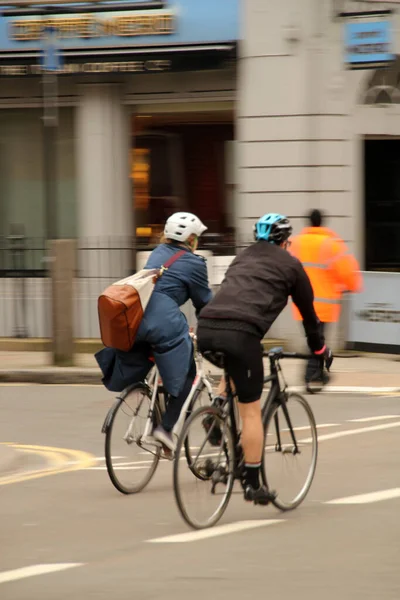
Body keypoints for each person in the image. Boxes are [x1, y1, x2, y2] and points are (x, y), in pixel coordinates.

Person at [197, 213, 332, 506]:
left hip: (207, 327)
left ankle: (216, 411)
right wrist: (320, 351)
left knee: (233, 364)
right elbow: (310, 319)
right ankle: (252, 483)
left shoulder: (242, 258)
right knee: (250, 411)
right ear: (285, 241)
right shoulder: (291, 266)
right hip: (242, 334)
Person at [96, 212, 212, 451]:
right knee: (187, 374)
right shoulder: (195, 264)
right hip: (165, 323)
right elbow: (204, 303)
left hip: (136, 318)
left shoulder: (156, 253)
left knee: (156, 359)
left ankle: (150, 398)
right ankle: (165, 429)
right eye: (197, 237)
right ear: (191, 239)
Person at [290, 209, 362, 391]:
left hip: (301, 303)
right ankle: (311, 375)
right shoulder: (330, 244)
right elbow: (346, 269)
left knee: (314, 339)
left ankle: (318, 375)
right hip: (324, 305)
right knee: (317, 340)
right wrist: (353, 286)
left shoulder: (296, 243)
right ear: (322, 222)